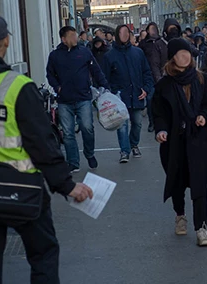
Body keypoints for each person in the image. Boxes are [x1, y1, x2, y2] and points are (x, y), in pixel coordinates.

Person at [0, 15, 94, 284]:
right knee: (44, 257)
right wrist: (67, 186)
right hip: (22, 192)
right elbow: (42, 144)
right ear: (5, 42)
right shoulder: (16, 86)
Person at [152, 38, 207, 246]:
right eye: (180, 53)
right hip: (174, 142)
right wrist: (161, 130)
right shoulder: (164, 85)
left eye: (187, 53)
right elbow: (158, 112)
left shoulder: (201, 79)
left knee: (200, 183)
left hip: (198, 140)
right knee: (177, 181)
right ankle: (180, 214)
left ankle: (201, 228)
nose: (185, 56)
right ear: (172, 58)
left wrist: (204, 116)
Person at [46, 25, 109, 171]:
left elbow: (96, 70)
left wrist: (105, 86)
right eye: (72, 36)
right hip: (64, 100)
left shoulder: (84, 52)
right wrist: (57, 87)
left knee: (87, 128)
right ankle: (73, 162)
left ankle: (89, 153)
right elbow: (50, 74)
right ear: (63, 39)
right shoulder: (55, 56)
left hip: (83, 98)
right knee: (68, 133)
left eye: (75, 35)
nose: (76, 38)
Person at [103, 24, 154, 163]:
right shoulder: (110, 56)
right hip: (119, 96)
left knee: (137, 123)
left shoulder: (138, 53)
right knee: (122, 125)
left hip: (137, 93)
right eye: (121, 33)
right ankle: (124, 151)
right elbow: (104, 78)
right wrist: (110, 93)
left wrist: (146, 88)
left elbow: (146, 72)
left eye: (127, 33)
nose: (125, 35)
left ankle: (134, 144)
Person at [140, 21, 168, 133]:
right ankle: (152, 121)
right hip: (149, 75)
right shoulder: (144, 44)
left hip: (162, 73)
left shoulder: (162, 43)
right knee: (151, 99)